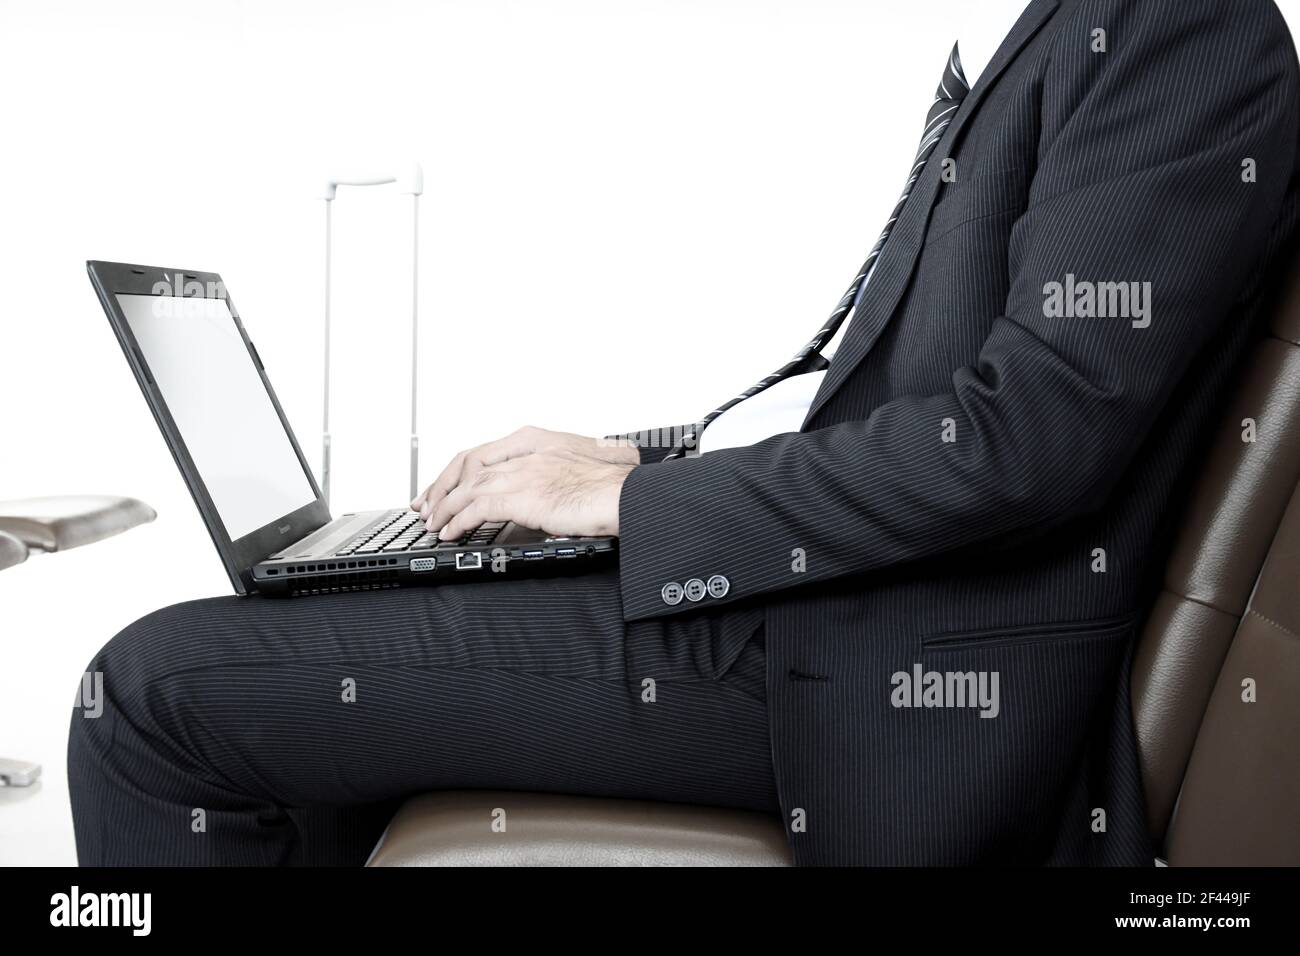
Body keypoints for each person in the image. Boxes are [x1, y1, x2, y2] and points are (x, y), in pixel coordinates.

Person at [69, 0, 1300, 865]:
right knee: (293, 643)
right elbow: (894, 406)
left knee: (146, 693)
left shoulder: (1171, 23)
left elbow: (1025, 437)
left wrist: (635, 510)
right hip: (832, 612)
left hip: (883, 673)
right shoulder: (1040, 37)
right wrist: (640, 466)